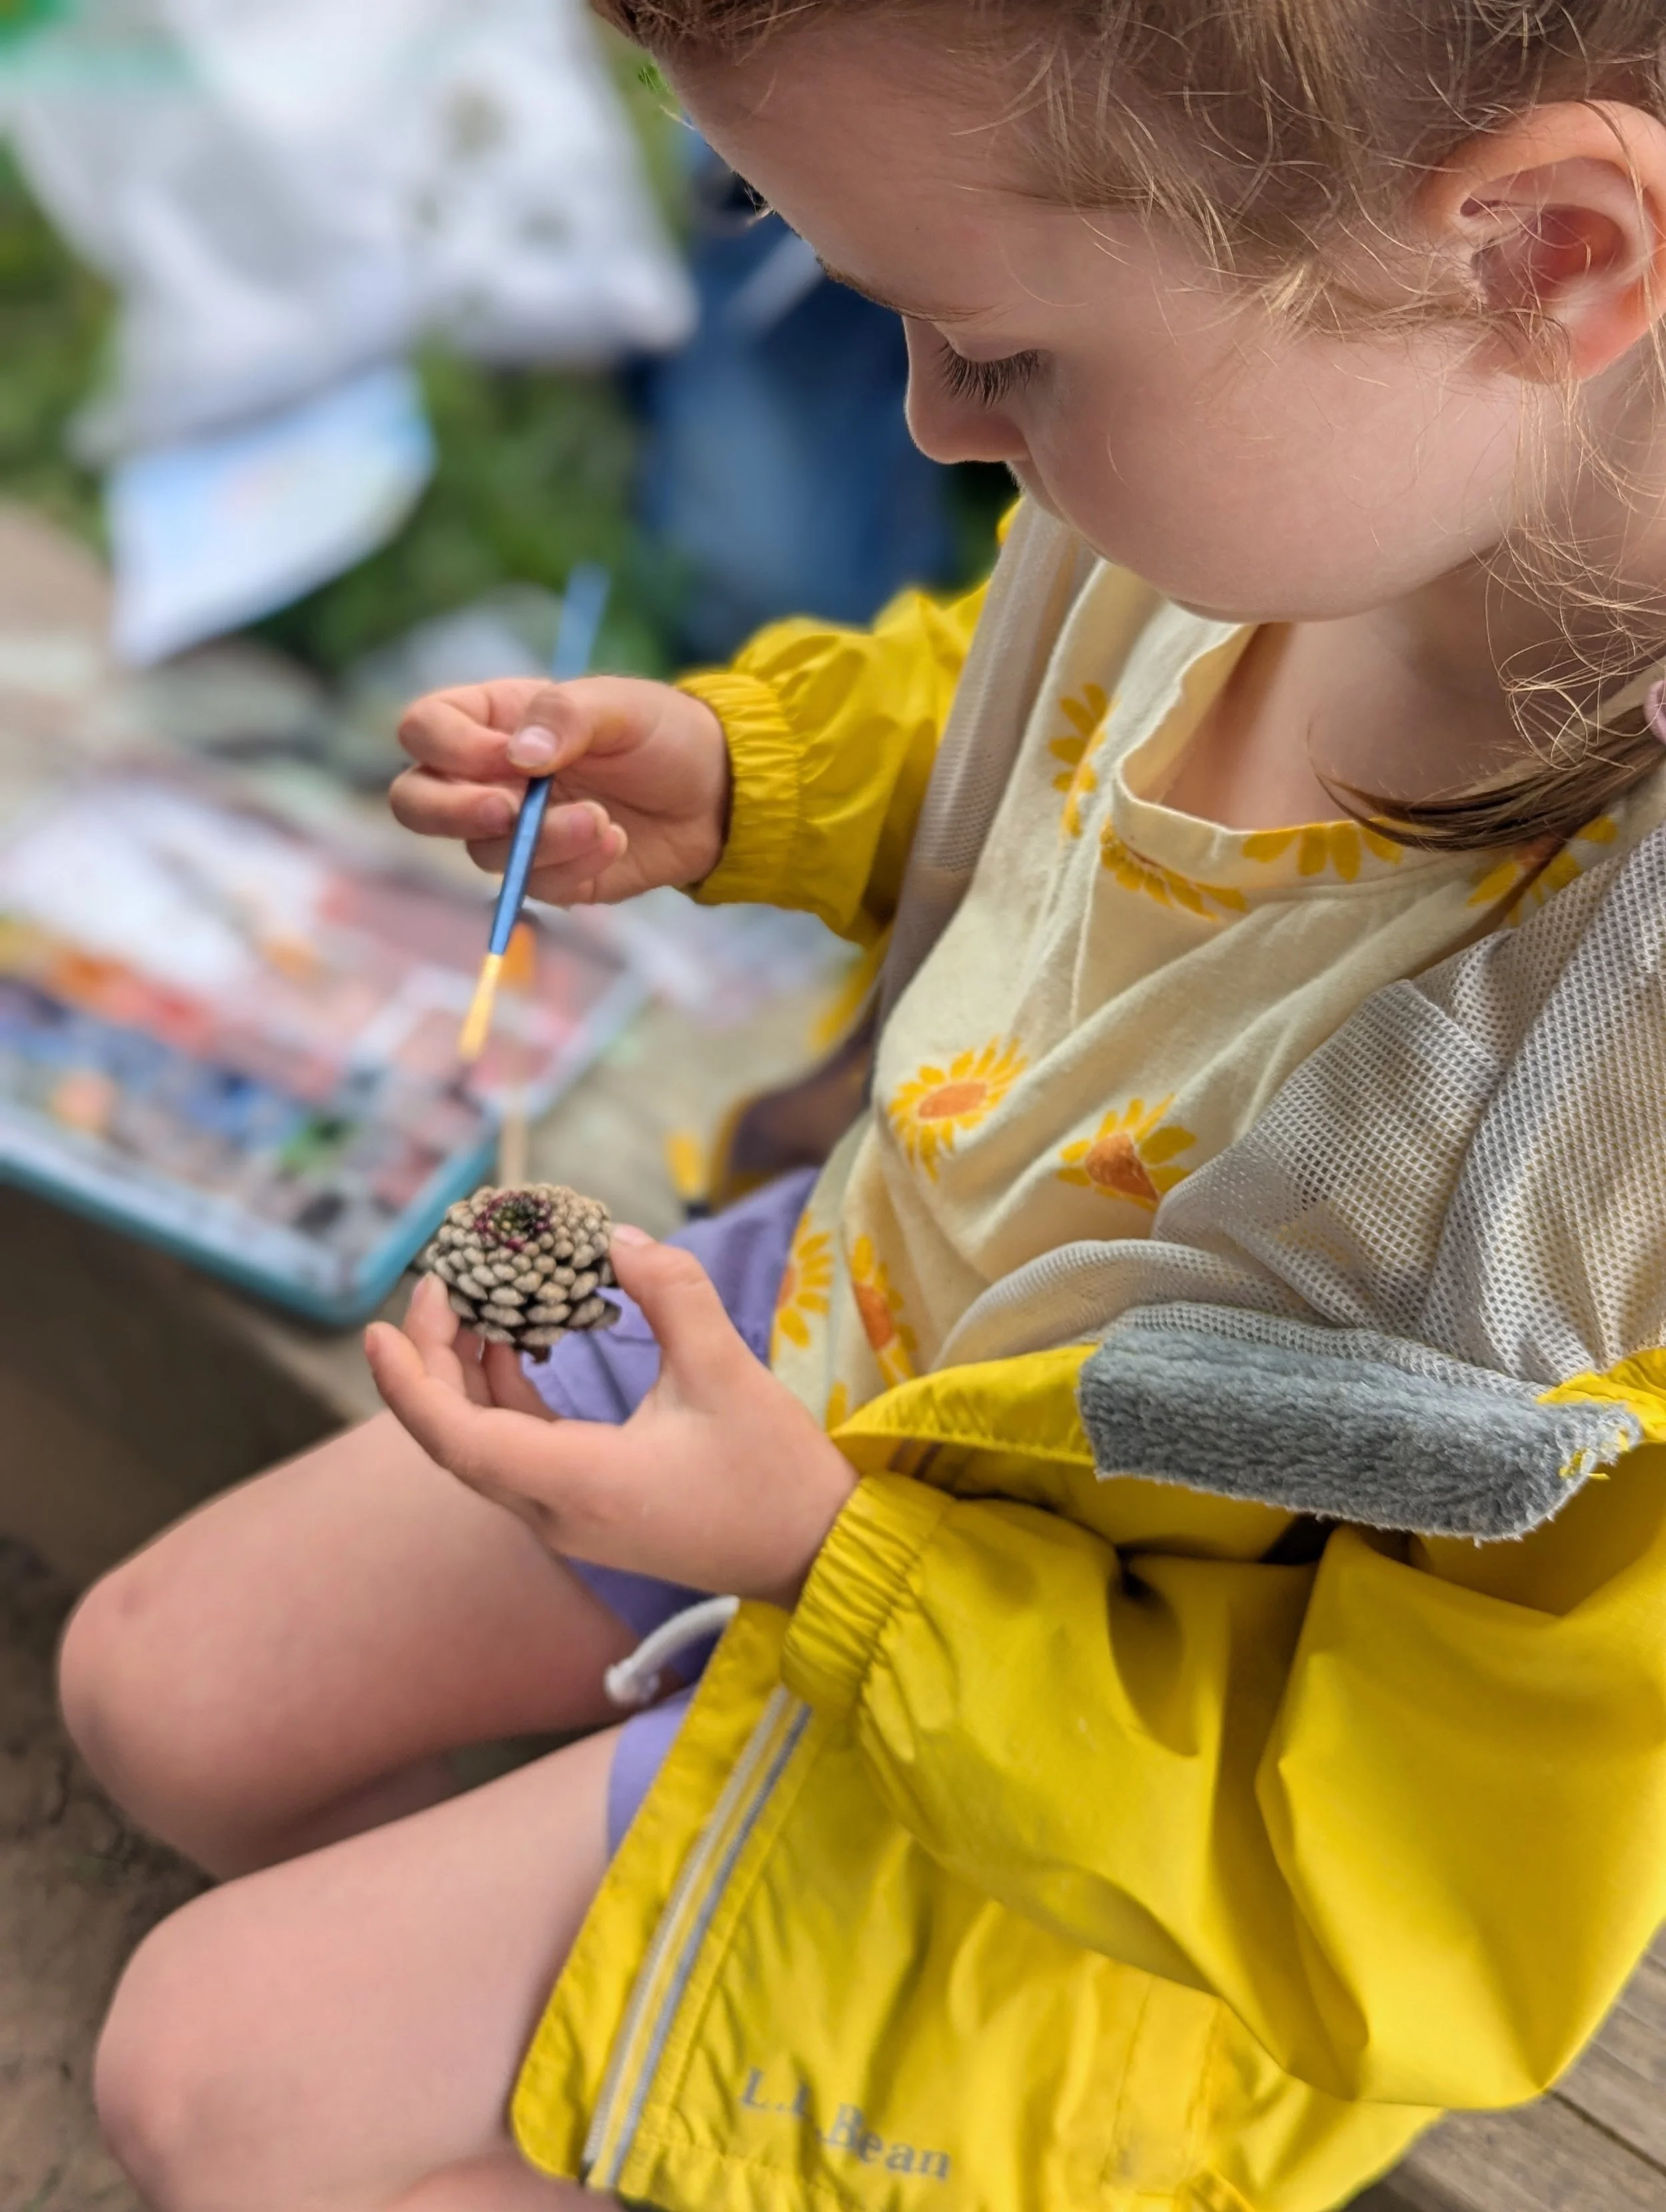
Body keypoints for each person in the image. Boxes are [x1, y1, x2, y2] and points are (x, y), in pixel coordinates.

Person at [57, 5, 1666, 2209]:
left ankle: (707, 2047)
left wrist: (833, 1565)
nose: (930, 422)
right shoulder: (1298, 478)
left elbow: (1403, 1899)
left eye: (997, 353)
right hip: (850, 1348)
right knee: (157, 1688)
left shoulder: (1606, 1171)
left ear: (1539, 257)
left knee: (212, 2086)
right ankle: (621, 1952)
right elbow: (1056, 718)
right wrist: (755, 780)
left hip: (1094, 1806)